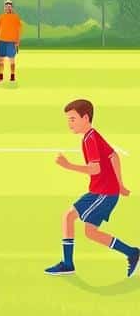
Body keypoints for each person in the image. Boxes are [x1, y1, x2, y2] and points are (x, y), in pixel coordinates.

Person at [45, 99, 137, 277]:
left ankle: (68, 263)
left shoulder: (90, 139)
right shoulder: (92, 135)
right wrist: (121, 185)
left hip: (103, 193)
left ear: (85, 118)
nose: (69, 123)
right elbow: (114, 156)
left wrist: (68, 165)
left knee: (72, 219)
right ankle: (132, 253)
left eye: (72, 119)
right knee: (83, 227)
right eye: (68, 119)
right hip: (100, 191)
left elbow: (95, 169)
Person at [0, 0, 22, 83]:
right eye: (6, 6)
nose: (8, 8)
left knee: (12, 59)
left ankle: (12, 75)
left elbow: (18, 30)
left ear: (12, 8)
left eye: (9, 6)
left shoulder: (16, 17)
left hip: (11, 41)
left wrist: (17, 41)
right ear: (4, 8)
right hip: (1, 41)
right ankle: (0, 76)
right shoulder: (1, 17)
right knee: (0, 60)